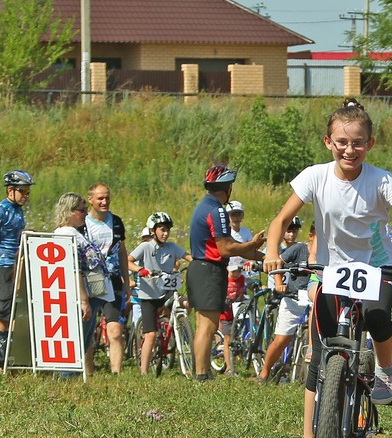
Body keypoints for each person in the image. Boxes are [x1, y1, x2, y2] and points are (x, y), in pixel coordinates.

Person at [262, 98, 392, 438]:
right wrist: (273, 252)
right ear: (328, 142)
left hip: (378, 268)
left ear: (369, 144)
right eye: (341, 142)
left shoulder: (381, 180)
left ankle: (385, 373)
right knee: (318, 361)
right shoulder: (314, 177)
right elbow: (281, 219)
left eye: (357, 142)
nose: (348, 149)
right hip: (332, 270)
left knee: (376, 319)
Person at [188, 164, 266, 381]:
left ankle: (202, 372)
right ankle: (202, 374)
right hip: (209, 269)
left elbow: (231, 245)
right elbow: (226, 249)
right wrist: (252, 242)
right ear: (227, 188)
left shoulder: (205, 206)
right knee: (209, 325)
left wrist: (263, 256)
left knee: (204, 324)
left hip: (200, 268)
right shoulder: (217, 210)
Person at [128, 212, 191, 375]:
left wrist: (199, 263)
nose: (165, 233)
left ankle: (181, 328)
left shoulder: (172, 247)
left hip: (167, 292)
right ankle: (144, 371)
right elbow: (128, 260)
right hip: (149, 295)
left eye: (167, 230)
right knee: (150, 334)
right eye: (161, 229)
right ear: (152, 231)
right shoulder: (146, 247)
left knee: (187, 303)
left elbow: (188, 256)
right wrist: (140, 270)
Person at [257, 216, 310, 383]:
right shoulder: (299, 249)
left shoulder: (329, 252)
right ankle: (265, 372)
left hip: (315, 299)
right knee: (282, 339)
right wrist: (279, 283)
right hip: (293, 298)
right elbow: (277, 264)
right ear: (311, 236)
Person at [83, 183, 128, 374]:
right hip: (91, 279)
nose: (104, 202)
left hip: (113, 279)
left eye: (107, 197)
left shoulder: (116, 221)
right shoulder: (82, 224)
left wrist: (127, 280)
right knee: (88, 329)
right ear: (90, 199)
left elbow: (122, 252)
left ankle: (116, 374)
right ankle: (89, 372)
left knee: (115, 331)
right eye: (100, 198)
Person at [52, 193, 97, 364]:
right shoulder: (65, 234)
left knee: (83, 341)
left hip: (86, 294)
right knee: (77, 340)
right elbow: (73, 267)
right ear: (70, 211)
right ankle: (67, 378)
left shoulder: (75, 232)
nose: (86, 213)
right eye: (82, 210)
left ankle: (70, 377)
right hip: (77, 297)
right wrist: (83, 300)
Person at [0, 170, 32, 369]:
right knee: (2, 310)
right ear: (10, 190)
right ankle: (1, 359)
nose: (26, 195)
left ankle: (9, 356)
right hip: (1, 264)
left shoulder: (18, 210)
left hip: (15, 263)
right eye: (23, 191)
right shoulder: (1, 210)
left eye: (28, 192)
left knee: (12, 308)